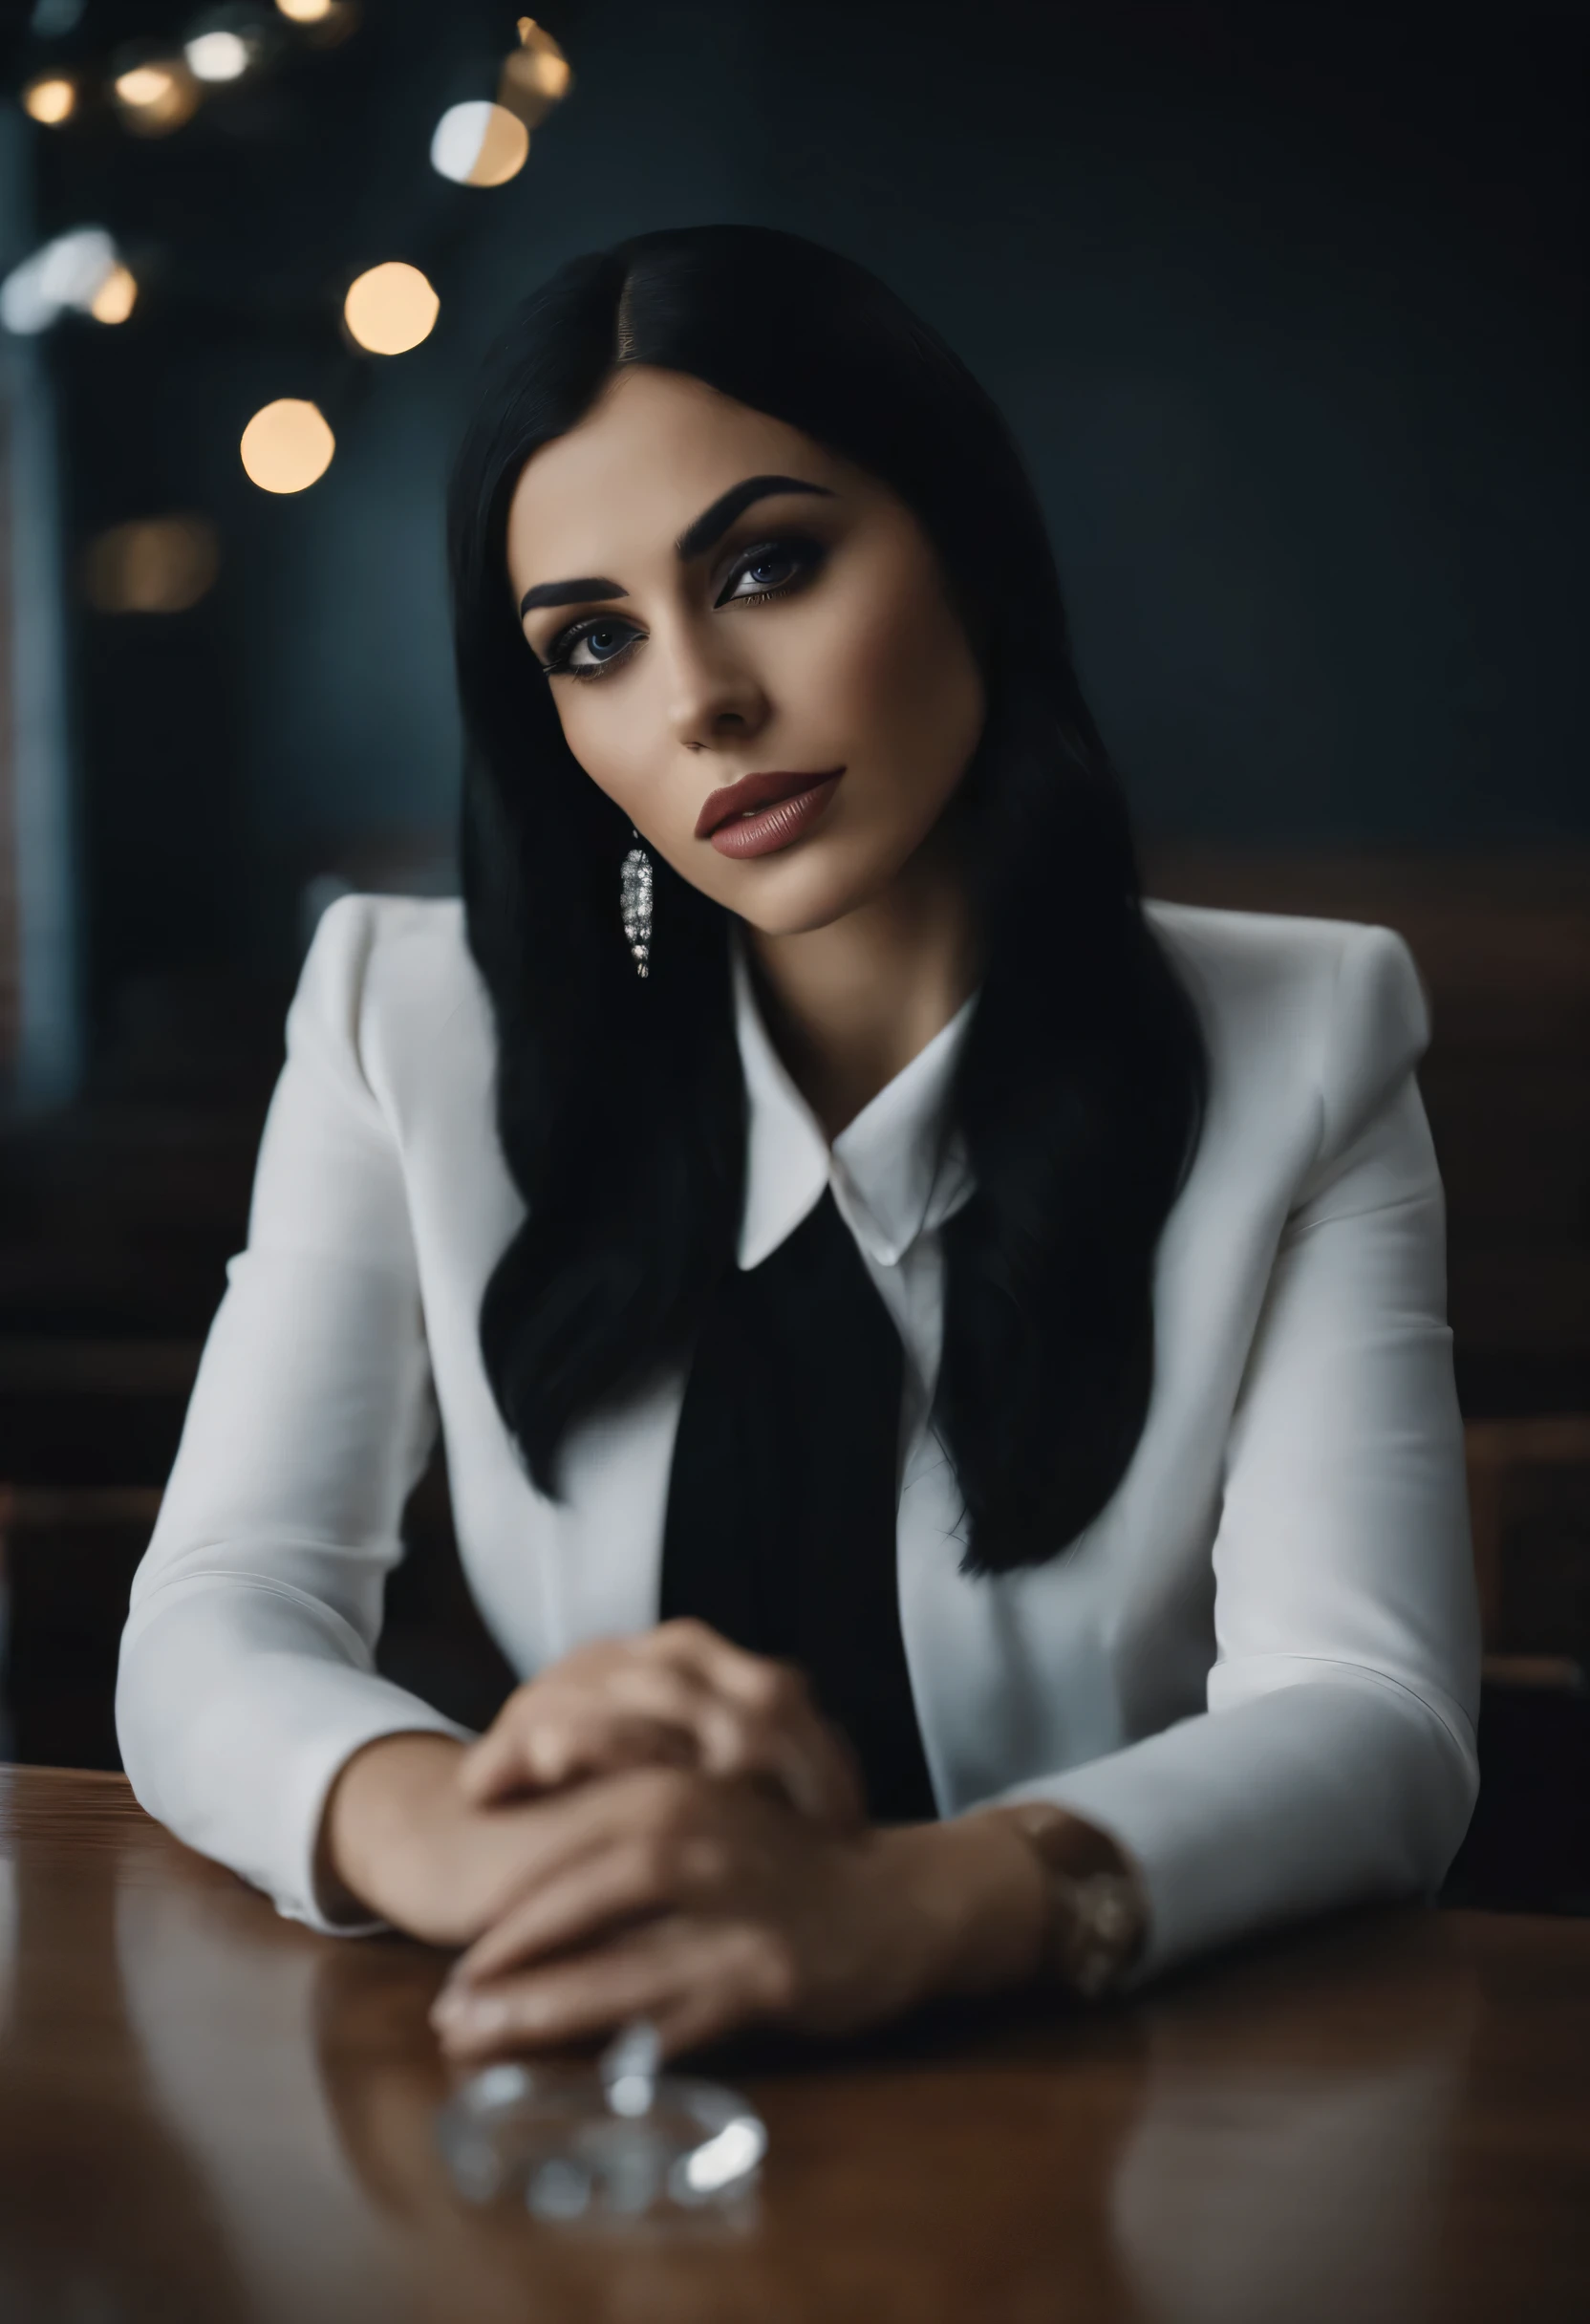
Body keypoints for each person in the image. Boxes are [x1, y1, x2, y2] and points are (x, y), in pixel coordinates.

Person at [116, 226, 1479, 2064]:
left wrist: (906, 1911)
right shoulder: (406, 1019)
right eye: (593, 641)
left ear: (970, 553)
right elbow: (222, 1604)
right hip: (600, 2069)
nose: (698, 699)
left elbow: (1374, 1709)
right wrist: (457, 1832)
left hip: (1101, 2101)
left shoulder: (1306, 1043)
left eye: (767, 565)